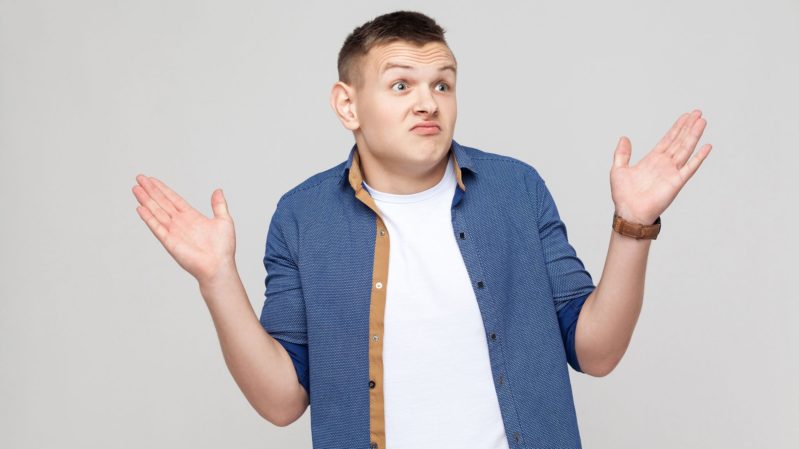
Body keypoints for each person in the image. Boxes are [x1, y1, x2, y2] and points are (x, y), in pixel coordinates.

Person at [131, 10, 712, 449]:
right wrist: (216, 279)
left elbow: (597, 351)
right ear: (347, 104)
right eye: (401, 85)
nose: (428, 103)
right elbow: (282, 401)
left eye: (443, 84)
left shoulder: (516, 190)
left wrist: (633, 225)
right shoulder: (302, 217)